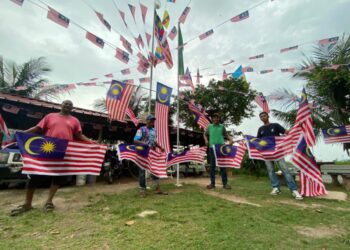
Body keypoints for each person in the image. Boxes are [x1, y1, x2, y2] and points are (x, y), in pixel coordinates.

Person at [11, 100, 93, 216]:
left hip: (64, 150)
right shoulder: (50, 116)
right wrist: (23, 133)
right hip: (47, 148)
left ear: (72, 108)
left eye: (70, 105)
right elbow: (37, 128)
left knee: (58, 177)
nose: (67, 105)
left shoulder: (75, 120)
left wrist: (91, 142)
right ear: (61, 105)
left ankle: (49, 201)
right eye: (66, 103)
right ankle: (27, 204)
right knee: (35, 174)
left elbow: (79, 135)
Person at [257, 111, 303, 200]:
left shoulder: (275, 125)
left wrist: (296, 126)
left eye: (264, 115)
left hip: (278, 152)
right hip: (267, 154)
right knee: (270, 171)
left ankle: (294, 190)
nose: (263, 117)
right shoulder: (260, 129)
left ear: (268, 116)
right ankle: (276, 188)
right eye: (261, 117)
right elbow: (258, 141)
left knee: (285, 170)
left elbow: (287, 132)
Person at [133, 114, 167, 197]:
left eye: (153, 120)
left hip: (152, 153)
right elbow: (135, 140)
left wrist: (160, 147)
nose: (152, 121)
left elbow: (154, 141)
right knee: (142, 172)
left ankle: (157, 188)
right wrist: (145, 144)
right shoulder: (141, 129)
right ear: (146, 121)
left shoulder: (154, 130)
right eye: (151, 120)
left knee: (155, 170)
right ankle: (142, 190)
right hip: (142, 153)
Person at [204, 113, 233, 189]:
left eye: (217, 118)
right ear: (212, 119)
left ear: (218, 119)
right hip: (211, 148)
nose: (215, 119)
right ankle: (212, 184)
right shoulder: (209, 126)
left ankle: (225, 184)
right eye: (214, 118)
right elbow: (205, 134)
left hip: (221, 148)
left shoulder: (222, 127)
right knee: (212, 166)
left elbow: (226, 135)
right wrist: (206, 140)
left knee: (222, 166)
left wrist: (231, 139)